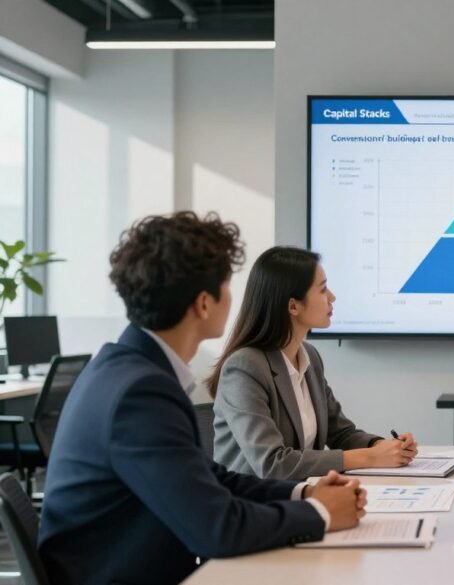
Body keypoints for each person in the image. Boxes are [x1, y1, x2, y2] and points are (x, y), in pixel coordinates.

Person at [38, 212, 367, 585]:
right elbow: (217, 529)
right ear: (204, 304)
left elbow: (209, 478)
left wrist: (304, 491)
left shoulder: (128, 368)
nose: (233, 298)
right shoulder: (140, 393)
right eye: (227, 285)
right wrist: (319, 513)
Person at [208, 246, 417, 479]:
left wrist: (382, 446)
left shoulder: (309, 356)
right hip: (253, 505)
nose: (332, 297)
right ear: (293, 306)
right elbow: (272, 464)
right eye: (323, 289)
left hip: (302, 495)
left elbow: (341, 434)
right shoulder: (244, 367)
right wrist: (370, 458)